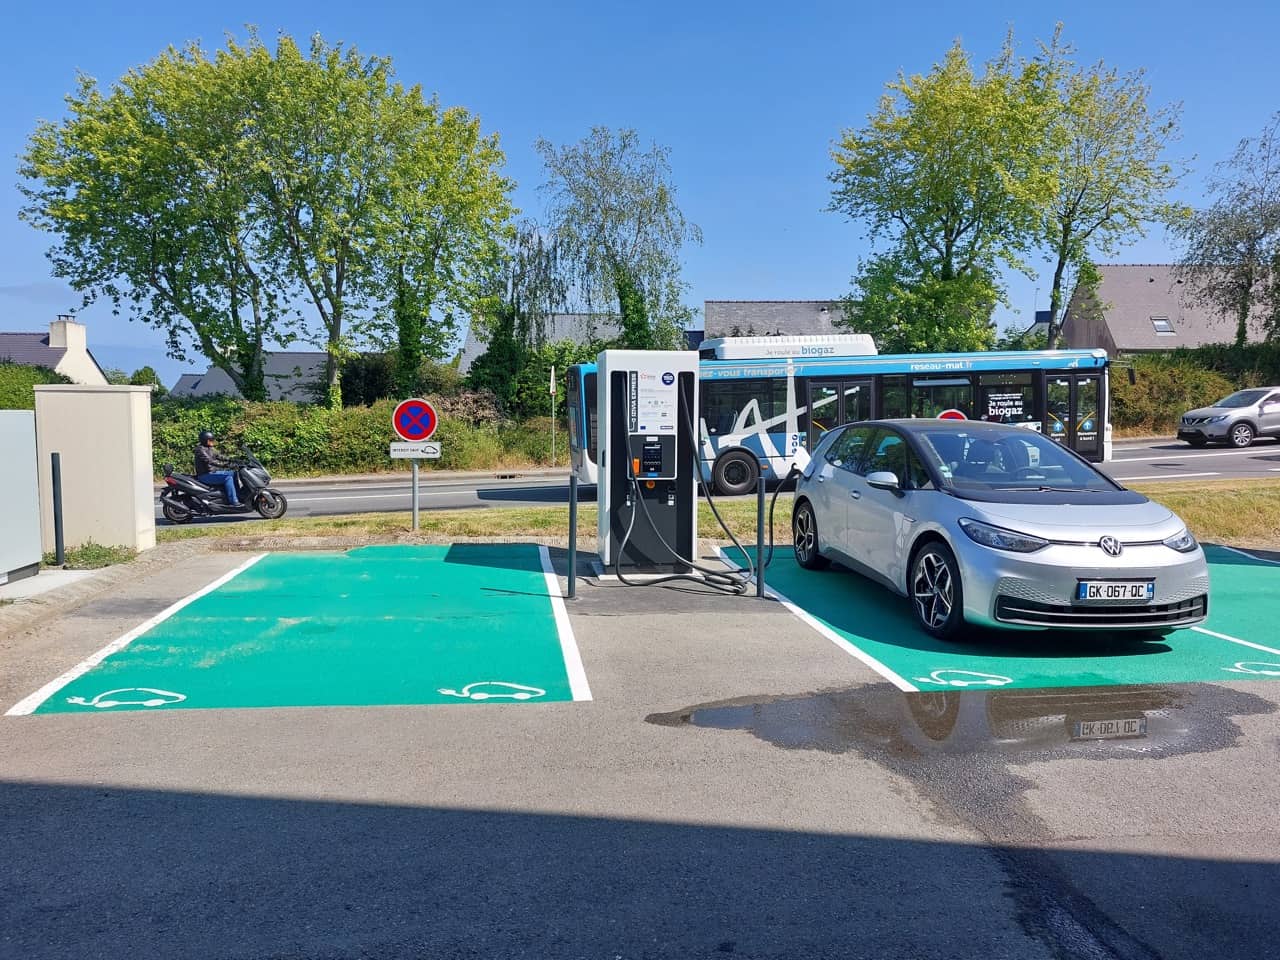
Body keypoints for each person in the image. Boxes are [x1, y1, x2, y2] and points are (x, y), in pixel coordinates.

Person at [194, 430, 241, 506]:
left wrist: (233, 460)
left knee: (234, 474)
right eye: (211, 440)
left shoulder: (210, 448)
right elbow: (210, 461)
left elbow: (220, 456)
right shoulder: (200, 450)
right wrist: (225, 465)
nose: (213, 442)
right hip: (205, 475)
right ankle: (234, 501)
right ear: (206, 440)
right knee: (228, 478)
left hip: (212, 472)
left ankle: (238, 495)